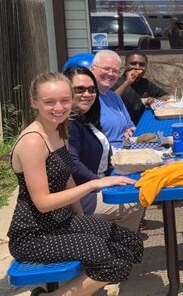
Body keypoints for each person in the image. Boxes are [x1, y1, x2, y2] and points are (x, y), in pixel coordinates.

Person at [7, 72, 143, 296]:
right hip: (34, 235)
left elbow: (68, 179)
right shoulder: (33, 141)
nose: (58, 107)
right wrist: (93, 185)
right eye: (49, 102)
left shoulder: (59, 130)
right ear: (34, 102)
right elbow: (42, 203)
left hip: (62, 222)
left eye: (64, 100)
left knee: (130, 243)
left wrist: (82, 219)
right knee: (116, 262)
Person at [65, 66, 145, 231]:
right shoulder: (68, 123)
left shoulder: (87, 118)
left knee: (144, 182)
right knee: (135, 203)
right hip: (82, 194)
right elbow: (72, 163)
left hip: (98, 181)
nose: (87, 94)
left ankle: (117, 242)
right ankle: (121, 248)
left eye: (91, 89)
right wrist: (101, 182)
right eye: (79, 90)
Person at [90, 50, 135, 147]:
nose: (110, 74)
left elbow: (130, 125)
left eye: (115, 71)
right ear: (92, 69)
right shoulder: (87, 99)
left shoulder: (114, 96)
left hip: (126, 150)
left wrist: (130, 131)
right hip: (106, 156)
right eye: (106, 68)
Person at [112, 51, 169, 125]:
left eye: (142, 65)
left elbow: (165, 96)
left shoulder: (145, 83)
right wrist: (128, 82)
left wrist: (154, 100)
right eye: (133, 63)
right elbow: (111, 101)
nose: (137, 67)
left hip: (144, 122)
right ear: (126, 65)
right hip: (123, 126)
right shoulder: (115, 83)